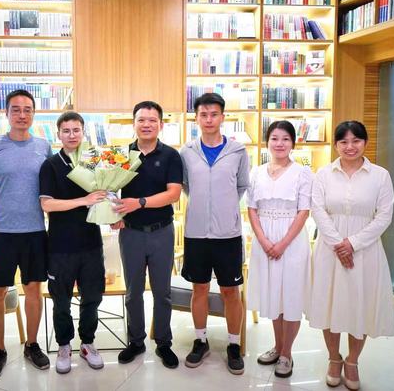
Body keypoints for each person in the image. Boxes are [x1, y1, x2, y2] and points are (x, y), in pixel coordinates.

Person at [310, 120, 394, 390]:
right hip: (329, 249)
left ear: (365, 142)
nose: (350, 146)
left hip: (366, 251)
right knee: (329, 303)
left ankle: (353, 361)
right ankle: (334, 359)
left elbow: (384, 216)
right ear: (336, 145)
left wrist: (353, 244)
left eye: (356, 141)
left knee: (362, 305)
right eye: (344, 141)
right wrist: (339, 244)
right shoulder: (323, 174)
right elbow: (318, 210)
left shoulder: (380, 176)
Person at [0, 89, 53, 380]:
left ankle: (32, 345)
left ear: (34, 113)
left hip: (35, 231)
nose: (22, 115)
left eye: (27, 110)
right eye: (16, 110)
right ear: (6, 113)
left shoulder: (44, 147)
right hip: (0, 232)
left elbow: (50, 190)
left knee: (34, 289)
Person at [179, 93, 250, 375]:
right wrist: (203, 206)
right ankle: (201, 340)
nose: (209, 119)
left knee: (231, 291)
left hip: (227, 234)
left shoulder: (237, 151)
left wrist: (223, 208)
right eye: (203, 115)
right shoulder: (186, 151)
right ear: (196, 118)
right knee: (199, 288)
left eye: (214, 114)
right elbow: (186, 186)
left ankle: (233, 344)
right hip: (196, 233)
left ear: (223, 117)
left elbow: (241, 186)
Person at [112, 101, 183, 369]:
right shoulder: (121, 155)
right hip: (130, 233)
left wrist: (139, 203)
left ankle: (163, 343)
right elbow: (109, 189)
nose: (146, 124)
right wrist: (113, 214)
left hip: (161, 232)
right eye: (141, 120)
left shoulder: (171, 156)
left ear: (161, 125)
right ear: (134, 124)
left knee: (162, 292)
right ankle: (136, 341)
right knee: (133, 292)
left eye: (152, 120)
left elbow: (173, 194)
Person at [38, 112, 107, 374]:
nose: (71, 135)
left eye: (76, 130)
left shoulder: (93, 161)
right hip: (61, 246)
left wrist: (113, 209)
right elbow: (47, 204)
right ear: (58, 135)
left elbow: (106, 192)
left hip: (91, 244)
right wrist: (83, 201)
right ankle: (64, 345)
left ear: (83, 132)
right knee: (61, 301)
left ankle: (87, 343)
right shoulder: (50, 165)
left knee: (93, 297)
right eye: (66, 131)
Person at [246, 120, 313, 378]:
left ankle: (287, 353)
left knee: (291, 296)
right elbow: (252, 209)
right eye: (274, 138)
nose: (280, 143)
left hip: (291, 242)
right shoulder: (256, 172)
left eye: (285, 138)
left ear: (293, 143)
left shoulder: (302, 173)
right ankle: (277, 346)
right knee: (274, 296)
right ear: (267, 142)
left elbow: (304, 211)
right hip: (264, 240)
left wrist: (282, 244)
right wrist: (263, 241)